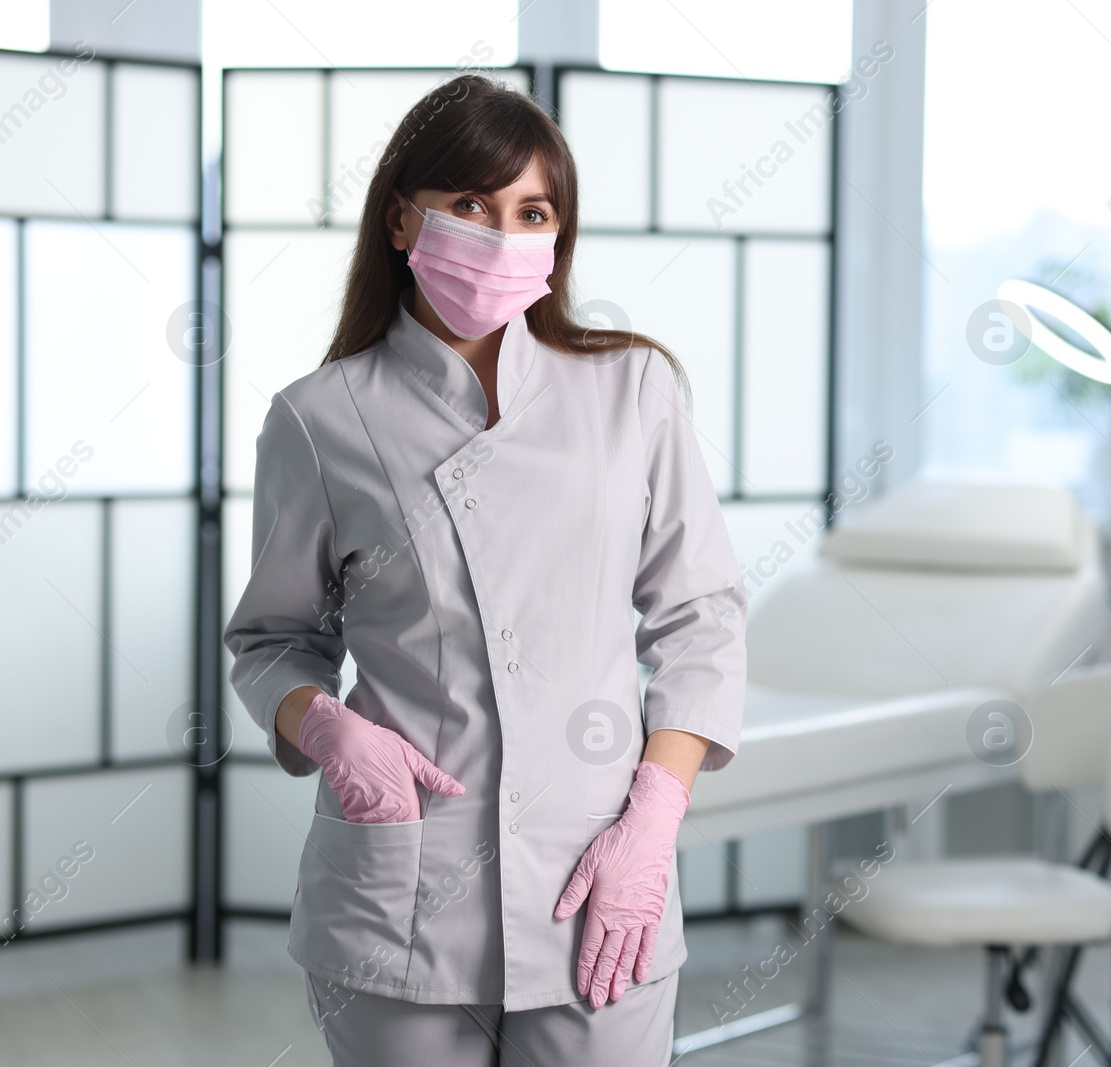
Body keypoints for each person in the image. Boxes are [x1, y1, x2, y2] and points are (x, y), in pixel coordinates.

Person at [222, 72, 747, 1067]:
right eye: (469, 203)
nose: (501, 234)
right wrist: (328, 726)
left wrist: (653, 816)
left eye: (530, 210)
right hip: (400, 886)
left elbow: (700, 614)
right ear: (401, 219)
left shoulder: (630, 388)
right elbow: (271, 640)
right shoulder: (320, 417)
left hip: (596, 876)